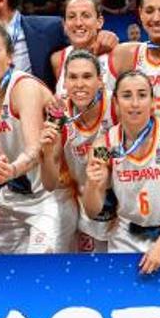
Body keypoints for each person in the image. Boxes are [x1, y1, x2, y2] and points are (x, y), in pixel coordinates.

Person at [83, 70, 160, 274]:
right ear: (115, 103)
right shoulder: (104, 145)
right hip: (128, 236)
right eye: (126, 96)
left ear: (152, 101)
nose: (134, 103)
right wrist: (92, 185)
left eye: (142, 95)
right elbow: (92, 211)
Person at [0, 22, 64, 253]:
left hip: (50, 194)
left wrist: (11, 170)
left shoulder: (23, 86)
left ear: (9, 56)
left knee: (37, 268)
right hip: (13, 194)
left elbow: (34, 150)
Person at [42, 50, 116, 253]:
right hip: (85, 201)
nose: (80, 84)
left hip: (123, 201)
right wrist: (47, 153)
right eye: (73, 77)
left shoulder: (117, 105)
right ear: (64, 82)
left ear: (100, 81)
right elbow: (49, 184)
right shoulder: (58, 115)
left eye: (87, 76)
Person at [50, 0, 117, 96]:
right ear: (64, 24)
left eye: (86, 16)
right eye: (71, 17)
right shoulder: (57, 59)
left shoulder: (117, 55)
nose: (78, 23)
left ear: (99, 22)